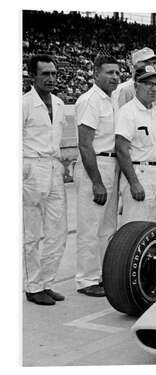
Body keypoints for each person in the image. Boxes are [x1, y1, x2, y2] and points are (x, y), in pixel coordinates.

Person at [74, 55, 120, 297]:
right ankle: (86, 279)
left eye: (117, 73)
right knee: (90, 227)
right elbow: (84, 145)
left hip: (111, 163)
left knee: (107, 227)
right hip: (96, 165)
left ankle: (101, 274)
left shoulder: (111, 101)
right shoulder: (90, 100)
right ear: (95, 74)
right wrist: (97, 182)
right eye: (109, 72)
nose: (115, 77)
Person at [23, 55, 67, 305]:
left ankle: (47, 282)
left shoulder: (60, 104)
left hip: (53, 166)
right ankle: (33, 285)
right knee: (31, 232)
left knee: (57, 230)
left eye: (53, 73)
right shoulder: (23, 104)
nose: (51, 78)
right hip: (31, 167)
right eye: (45, 74)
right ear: (33, 76)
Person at [115, 65, 156, 225]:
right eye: (148, 84)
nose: (153, 88)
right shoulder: (128, 111)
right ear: (136, 86)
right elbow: (121, 148)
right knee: (135, 227)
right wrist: (133, 182)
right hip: (139, 172)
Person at [112, 47, 156, 114]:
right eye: (147, 62)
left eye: (154, 63)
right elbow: (122, 118)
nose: (153, 66)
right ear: (136, 65)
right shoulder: (124, 90)